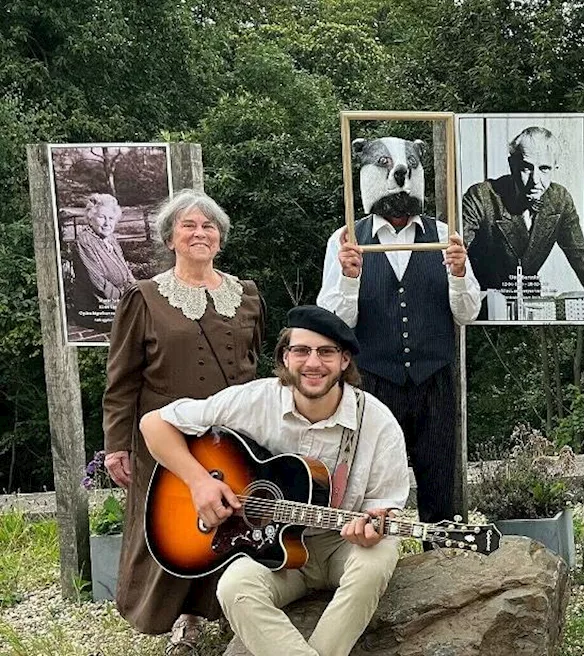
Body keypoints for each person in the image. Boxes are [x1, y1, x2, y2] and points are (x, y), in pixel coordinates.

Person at [139, 305, 411, 656]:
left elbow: (384, 507)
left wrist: (373, 527)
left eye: (326, 352)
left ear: (344, 361)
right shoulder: (253, 400)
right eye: (301, 350)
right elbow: (154, 424)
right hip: (273, 552)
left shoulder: (376, 421)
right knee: (234, 586)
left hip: (340, 545)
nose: (313, 363)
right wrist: (199, 482)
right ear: (285, 356)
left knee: (380, 554)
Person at [102, 189, 265, 654]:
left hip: (236, 437)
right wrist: (118, 443)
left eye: (208, 227)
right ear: (169, 238)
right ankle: (184, 621)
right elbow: (122, 380)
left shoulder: (246, 294)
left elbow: (256, 359)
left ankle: (236, 609)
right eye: (188, 226)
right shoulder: (144, 298)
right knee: (177, 530)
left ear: (220, 239)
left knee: (235, 520)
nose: (199, 233)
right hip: (166, 437)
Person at [318, 176, 482, 530]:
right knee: (370, 480)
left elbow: (468, 313)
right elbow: (334, 324)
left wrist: (458, 272)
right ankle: (371, 559)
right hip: (372, 380)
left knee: (439, 478)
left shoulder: (444, 234)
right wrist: (349, 279)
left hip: (434, 377)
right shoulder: (345, 239)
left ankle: (442, 565)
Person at [461, 125, 584, 294]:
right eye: (527, 168)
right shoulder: (481, 196)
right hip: (482, 302)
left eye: (544, 168)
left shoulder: (560, 199)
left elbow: (582, 260)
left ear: (555, 167)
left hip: (530, 301)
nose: (535, 180)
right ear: (511, 165)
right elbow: (456, 254)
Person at [73, 192, 134, 309]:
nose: (107, 223)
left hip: (121, 300)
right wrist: (127, 298)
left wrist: (136, 289)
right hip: (99, 307)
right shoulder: (84, 240)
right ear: (90, 219)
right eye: (101, 217)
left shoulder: (110, 238)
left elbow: (126, 271)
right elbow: (98, 284)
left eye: (111, 218)